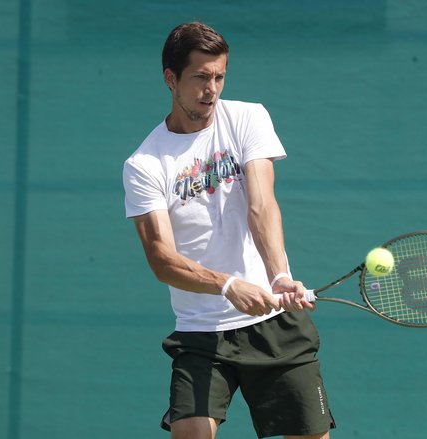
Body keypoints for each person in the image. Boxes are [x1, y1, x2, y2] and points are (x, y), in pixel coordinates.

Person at [122, 22, 335, 439]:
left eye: (219, 76)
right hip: (202, 334)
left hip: (275, 322)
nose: (211, 88)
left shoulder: (248, 117)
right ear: (171, 79)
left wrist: (278, 276)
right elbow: (162, 261)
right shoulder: (144, 164)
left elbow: (261, 205)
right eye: (200, 77)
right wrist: (228, 286)